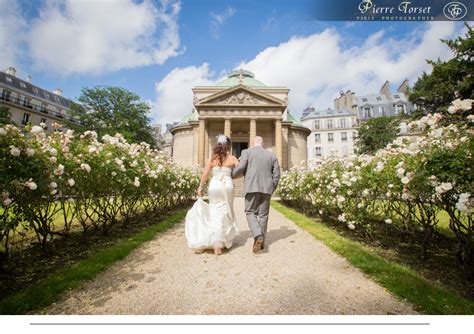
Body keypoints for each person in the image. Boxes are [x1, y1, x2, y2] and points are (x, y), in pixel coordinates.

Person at [185, 134, 239, 255]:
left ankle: (216, 244)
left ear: (218, 146)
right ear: (228, 146)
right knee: (225, 211)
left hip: (215, 186)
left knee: (215, 212)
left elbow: (205, 174)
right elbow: (240, 171)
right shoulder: (233, 159)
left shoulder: (212, 159)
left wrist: (200, 187)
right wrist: (230, 177)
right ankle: (221, 241)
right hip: (227, 185)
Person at [232, 136, 280, 253]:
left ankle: (258, 236)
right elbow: (277, 174)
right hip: (266, 189)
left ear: (253, 143)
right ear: (263, 143)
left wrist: (231, 174)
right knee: (263, 216)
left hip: (251, 187)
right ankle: (261, 241)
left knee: (250, 212)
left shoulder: (246, 152)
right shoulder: (272, 155)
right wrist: (271, 187)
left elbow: (241, 167)